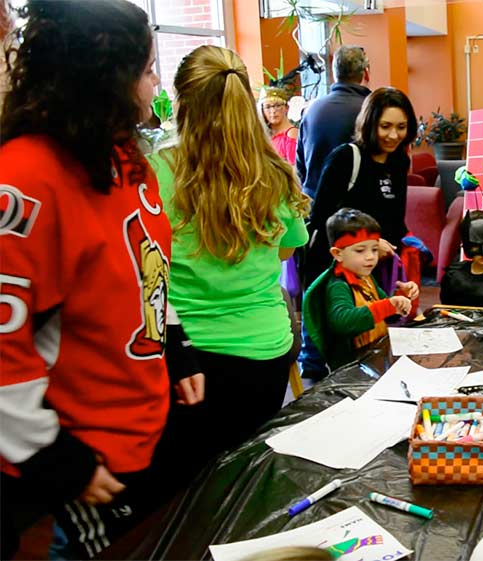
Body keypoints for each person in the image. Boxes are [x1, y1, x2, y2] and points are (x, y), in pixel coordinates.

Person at [0, 1, 199, 557]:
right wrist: (53, 457)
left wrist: (175, 346)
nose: (156, 83)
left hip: (136, 422)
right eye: (147, 69)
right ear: (105, 78)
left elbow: (145, 269)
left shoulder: (124, 159)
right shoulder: (26, 177)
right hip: (79, 447)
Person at [146, 45, 311, 474]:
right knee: (242, 480)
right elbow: (286, 249)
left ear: (181, 102)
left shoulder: (157, 172)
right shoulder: (273, 172)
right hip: (266, 351)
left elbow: (145, 265)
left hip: (189, 356)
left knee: (186, 486)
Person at [300, 87, 416, 378]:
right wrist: (371, 242)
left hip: (372, 268)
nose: (393, 135)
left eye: (401, 127)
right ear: (370, 123)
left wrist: (393, 265)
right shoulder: (345, 157)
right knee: (327, 351)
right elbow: (321, 217)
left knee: (369, 343)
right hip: (334, 268)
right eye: (385, 126)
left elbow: (396, 218)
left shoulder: (400, 161)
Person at [302, 208, 417, 372]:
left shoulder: (365, 277)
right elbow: (343, 321)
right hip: (352, 368)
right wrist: (388, 305)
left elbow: (386, 313)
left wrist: (401, 298)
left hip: (374, 356)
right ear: (338, 254)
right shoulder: (338, 286)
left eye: (374, 249)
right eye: (360, 250)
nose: (370, 256)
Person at [296, 45, 371, 198]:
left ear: (335, 74)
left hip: (314, 201)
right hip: (358, 205)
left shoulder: (311, 110)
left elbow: (301, 167)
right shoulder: (372, 111)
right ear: (366, 73)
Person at [259, 85, 298, 164]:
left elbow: (294, 168)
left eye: (278, 105)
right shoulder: (265, 135)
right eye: (268, 107)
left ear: (286, 108)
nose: (273, 111)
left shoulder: (291, 134)